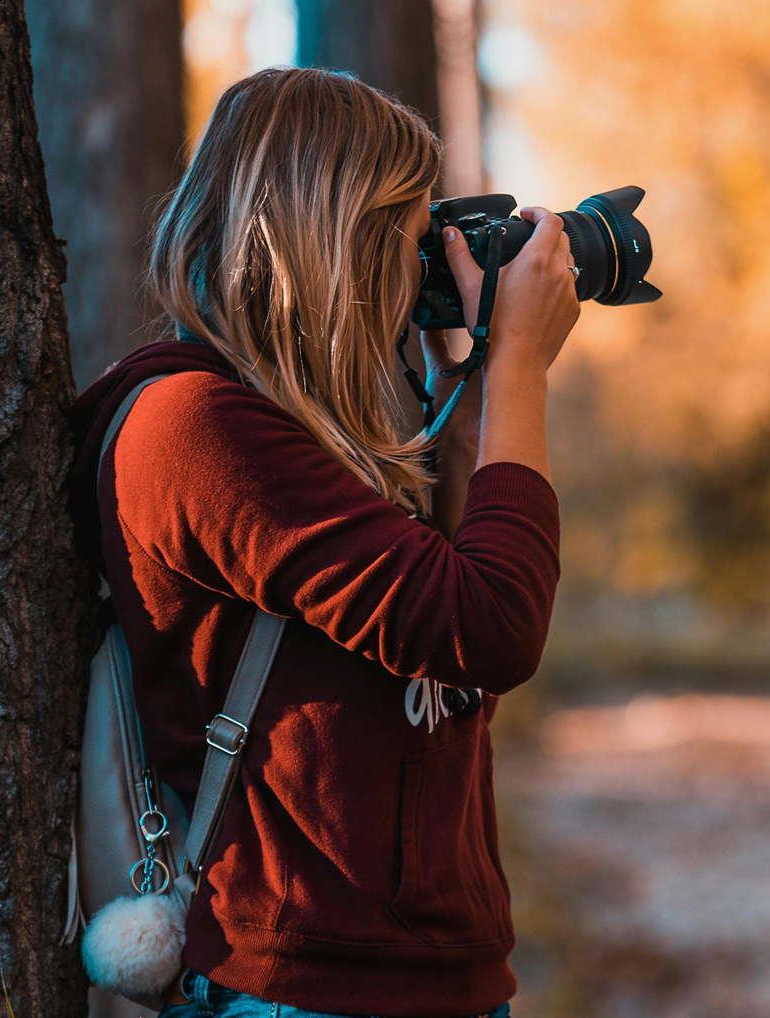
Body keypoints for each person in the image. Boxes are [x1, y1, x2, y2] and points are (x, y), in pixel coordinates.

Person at [70, 67, 579, 1018]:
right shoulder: (197, 427)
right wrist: (517, 370)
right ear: (338, 237)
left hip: (424, 975)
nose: (419, 266)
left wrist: (464, 378)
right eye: (407, 233)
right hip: (299, 985)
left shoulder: (315, 434)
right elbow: (491, 626)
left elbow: (453, 645)